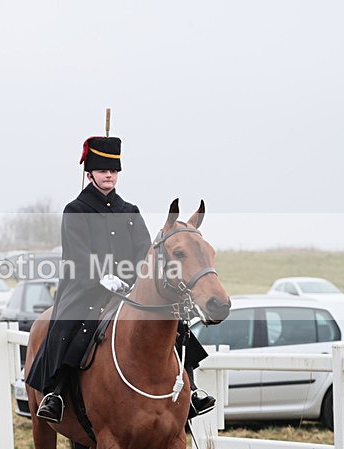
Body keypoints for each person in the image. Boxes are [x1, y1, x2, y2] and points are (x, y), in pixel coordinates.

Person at [25, 135, 216, 423]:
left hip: (129, 288)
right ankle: (56, 392)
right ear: (89, 174)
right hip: (86, 288)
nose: (109, 176)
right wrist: (101, 277)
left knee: (171, 324)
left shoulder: (129, 211)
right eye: (103, 171)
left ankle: (192, 389)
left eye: (113, 171)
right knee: (71, 326)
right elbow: (77, 254)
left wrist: (137, 280)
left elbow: (144, 252)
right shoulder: (76, 210)